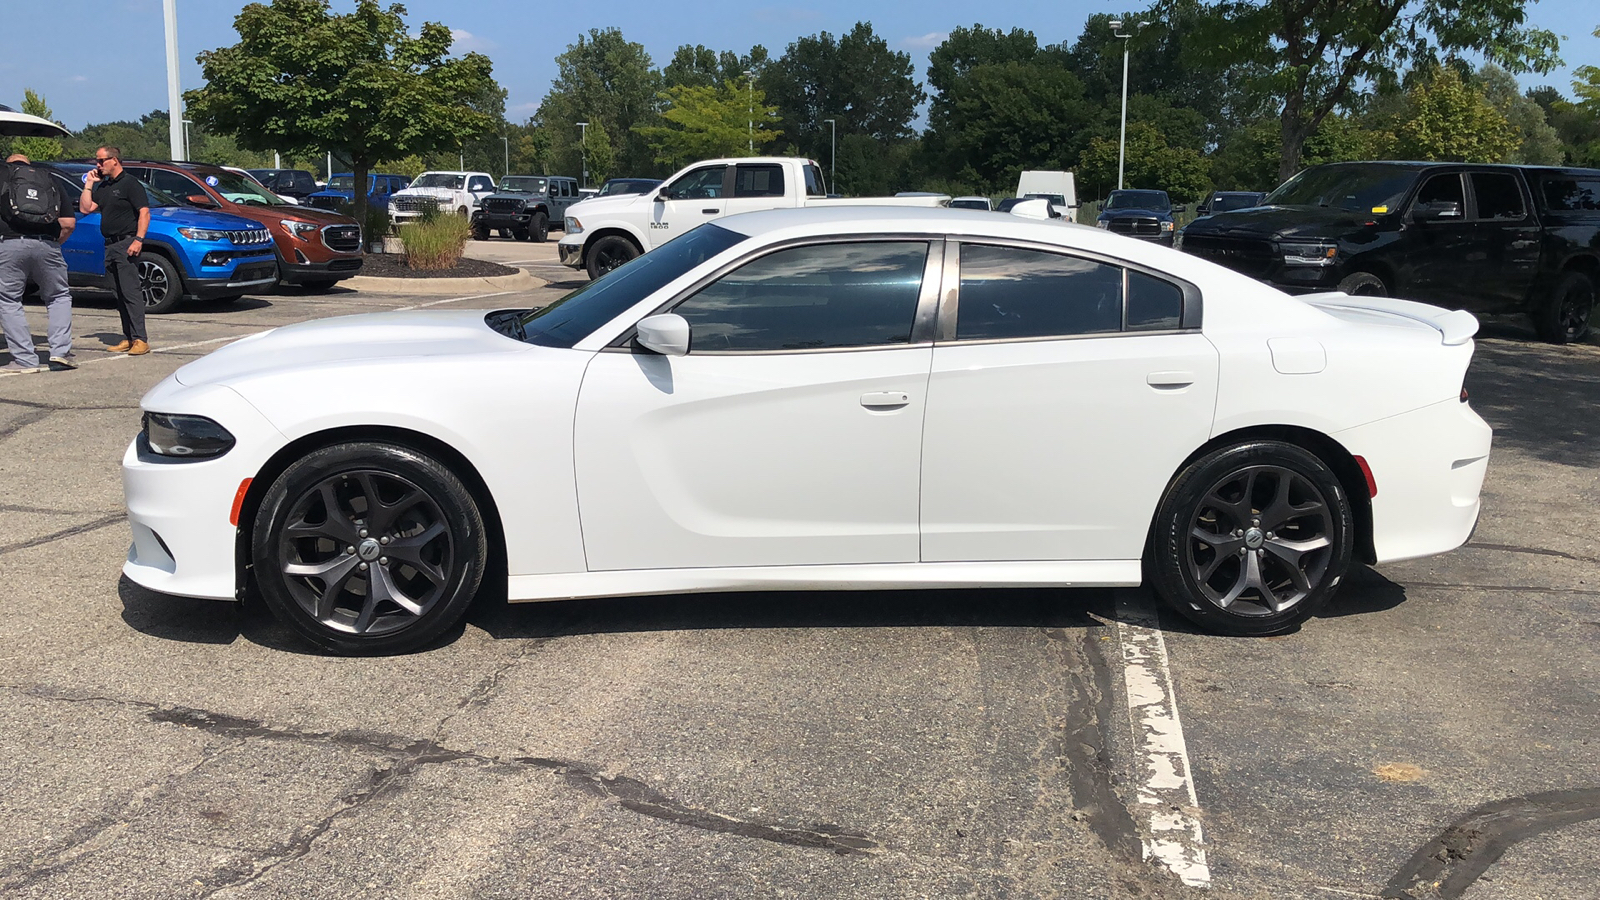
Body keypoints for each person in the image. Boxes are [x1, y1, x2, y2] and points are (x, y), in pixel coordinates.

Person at [0, 152, 78, 375]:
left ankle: (25, 359)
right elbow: (69, 223)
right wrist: (55, 243)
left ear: (9, 163)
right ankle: (60, 353)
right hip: (48, 244)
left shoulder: (3, 175)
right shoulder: (48, 178)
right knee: (59, 296)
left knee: (8, 300)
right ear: (28, 164)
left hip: (9, 244)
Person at [79, 146, 150, 355]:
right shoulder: (105, 187)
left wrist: (138, 240)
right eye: (97, 161)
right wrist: (89, 184)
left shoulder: (130, 184)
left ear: (115, 160)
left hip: (126, 243)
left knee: (131, 293)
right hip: (109, 245)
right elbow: (85, 208)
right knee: (118, 294)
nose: (98, 165)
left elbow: (144, 213)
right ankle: (128, 337)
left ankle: (141, 339)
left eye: (102, 161)